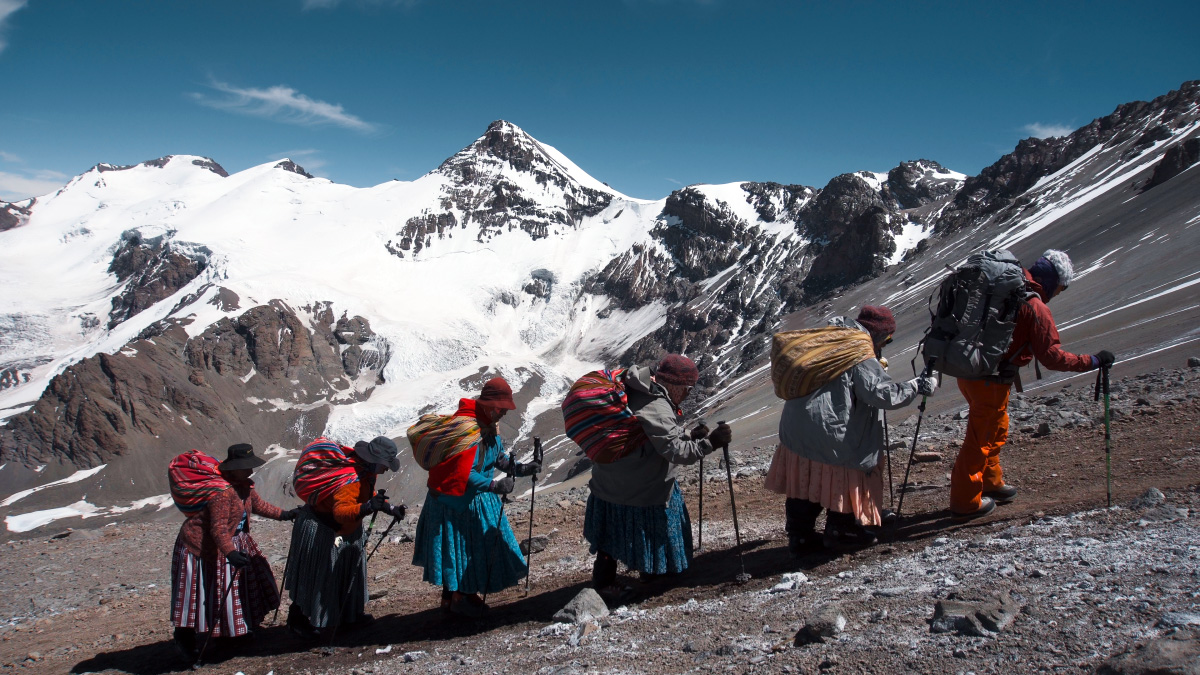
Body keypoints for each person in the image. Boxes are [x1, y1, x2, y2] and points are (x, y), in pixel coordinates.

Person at [950, 250, 1115, 520]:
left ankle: (990, 481)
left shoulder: (1008, 289)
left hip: (971, 372)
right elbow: (1052, 357)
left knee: (995, 428)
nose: (1058, 294)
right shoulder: (1035, 306)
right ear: (1052, 281)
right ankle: (965, 501)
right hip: (991, 379)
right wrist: (1093, 361)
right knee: (980, 439)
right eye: (1059, 288)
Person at [765, 306, 936, 553]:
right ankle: (841, 530)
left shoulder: (830, 339)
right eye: (887, 339)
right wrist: (916, 386)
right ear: (878, 334)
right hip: (831, 431)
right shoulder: (859, 352)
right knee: (843, 478)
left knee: (807, 479)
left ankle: (800, 535)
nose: (885, 344)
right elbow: (881, 394)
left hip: (796, 428)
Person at [584, 354, 728, 597]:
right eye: (687, 389)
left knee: (610, 535)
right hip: (637, 486)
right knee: (648, 526)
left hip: (612, 479)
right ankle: (644, 573)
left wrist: (690, 436)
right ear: (676, 385)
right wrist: (709, 443)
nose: (687, 394)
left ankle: (613, 578)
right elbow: (675, 451)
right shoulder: (657, 405)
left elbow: (655, 437)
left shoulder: (640, 390)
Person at [412, 377, 536, 618]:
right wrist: (494, 484)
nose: (503, 414)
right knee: (464, 550)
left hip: (468, 500)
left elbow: (498, 457)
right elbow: (464, 473)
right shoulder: (468, 431)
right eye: (501, 408)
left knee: (461, 550)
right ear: (489, 405)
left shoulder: (489, 428)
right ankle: (460, 597)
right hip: (456, 502)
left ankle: (452, 599)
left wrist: (521, 468)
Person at [169, 443, 299, 662]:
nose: (250, 471)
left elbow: (257, 506)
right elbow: (218, 528)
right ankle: (185, 639)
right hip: (201, 548)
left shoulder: (244, 485)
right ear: (233, 467)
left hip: (230, 542)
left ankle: (229, 634)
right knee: (197, 594)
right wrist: (229, 553)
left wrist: (285, 515)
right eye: (245, 467)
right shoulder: (222, 492)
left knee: (225, 591)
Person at [285, 435, 403, 639]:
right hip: (325, 529)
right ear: (374, 461)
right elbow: (341, 511)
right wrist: (367, 507)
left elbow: (367, 495)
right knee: (318, 576)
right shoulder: (350, 480)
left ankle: (349, 616)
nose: (385, 469)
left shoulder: (365, 472)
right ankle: (300, 621)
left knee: (346, 575)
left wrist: (389, 508)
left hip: (343, 530)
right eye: (384, 465)